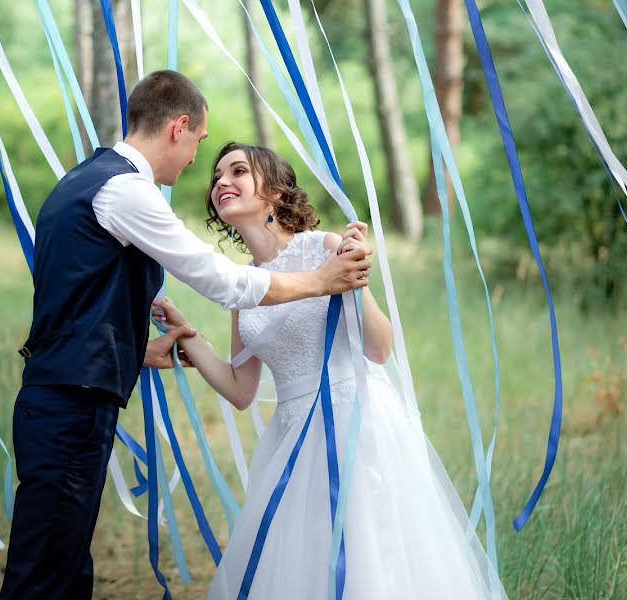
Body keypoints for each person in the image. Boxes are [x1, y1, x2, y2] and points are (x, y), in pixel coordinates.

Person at [0, 72, 373, 599]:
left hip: (65, 397)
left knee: (61, 561)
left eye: (236, 170)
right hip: (68, 404)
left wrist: (132, 348)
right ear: (179, 127)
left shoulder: (86, 180)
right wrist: (316, 282)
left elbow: (74, 300)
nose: (198, 164)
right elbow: (218, 278)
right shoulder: (124, 190)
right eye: (200, 146)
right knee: (46, 570)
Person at [151, 142, 507, 599]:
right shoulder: (247, 287)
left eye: (238, 171)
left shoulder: (325, 248)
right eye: (217, 176)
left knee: (366, 554)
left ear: (276, 192)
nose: (222, 182)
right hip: (293, 438)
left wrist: (356, 281)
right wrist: (189, 337)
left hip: (352, 424)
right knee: (306, 559)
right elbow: (241, 389)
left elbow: (379, 349)